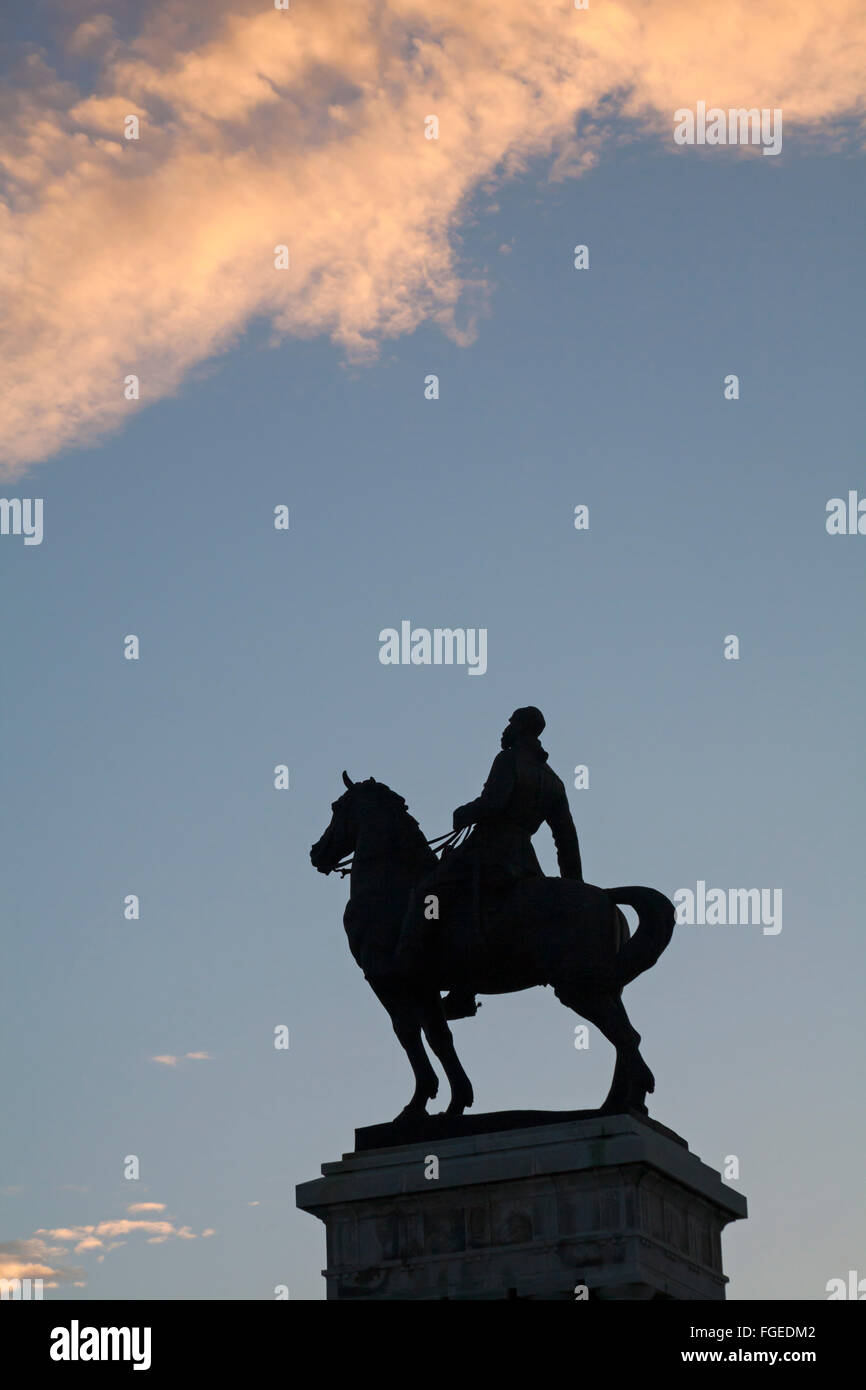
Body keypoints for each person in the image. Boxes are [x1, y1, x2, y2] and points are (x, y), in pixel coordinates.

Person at [397, 706, 583, 1018]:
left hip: (489, 849)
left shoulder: (508, 759)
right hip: (525, 860)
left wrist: (464, 812)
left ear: (520, 728)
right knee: (473, 906)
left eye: (510, 723)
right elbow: (566, 838)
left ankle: (412, 966)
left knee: (428, 892)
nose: (505, 728)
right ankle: (462, 987)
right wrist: (573, 887)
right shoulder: (553, 780)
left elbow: (494, 803)